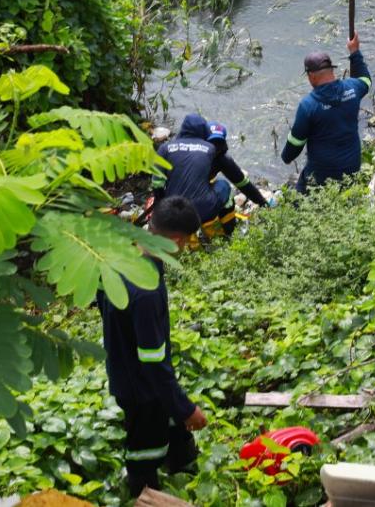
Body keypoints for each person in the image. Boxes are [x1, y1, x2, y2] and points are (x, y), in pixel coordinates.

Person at [97, 195, 206, 498]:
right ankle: (145, 494)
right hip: (141, 389)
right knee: (145, 451)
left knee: (172, 427)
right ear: (173, 240)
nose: (184, 249)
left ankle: (184, 467)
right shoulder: (146, 290)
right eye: (185, 242)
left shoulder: (122, 254)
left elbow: (100, 297)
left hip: (124, 369)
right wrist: (187, 409)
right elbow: (154, 363)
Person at [151, 114, 269, 237]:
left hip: (176, 208)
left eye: (218, 143)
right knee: (224, 187)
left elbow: (243, 183)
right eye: (212, 142)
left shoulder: (172, 149)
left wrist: (263, 203)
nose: (215, 147)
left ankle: (227, 230)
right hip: (192, 210)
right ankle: (229, 231)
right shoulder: (208, 153)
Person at [281, 34, 370, 192]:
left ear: (311, 76)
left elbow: (293, 148)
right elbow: (365, 80)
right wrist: (355, 52)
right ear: (332, 71)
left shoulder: (308, 105)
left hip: (322, 176)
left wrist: (285, 157)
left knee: (297, 199)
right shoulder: (353, 89)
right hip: (352, 170)